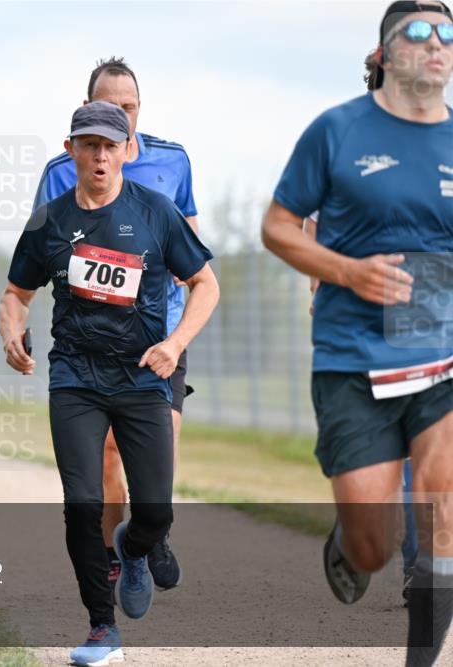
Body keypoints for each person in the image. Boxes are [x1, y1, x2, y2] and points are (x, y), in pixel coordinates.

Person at [261, 3, 453, 664]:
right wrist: (348, 271)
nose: (438, 44)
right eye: (420, 32)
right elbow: (279, 226)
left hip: (442, 357)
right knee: (376, 540)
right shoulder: (337, 130)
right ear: (384, 54)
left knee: (443, 510)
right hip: (354, 359)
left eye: (449, 32)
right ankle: (349, 541)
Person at [0, 102, 219, 665]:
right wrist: (11, 334)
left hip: (142, 377)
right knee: (81, 503)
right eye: (88, 144)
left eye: (110, 145)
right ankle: (102, 628)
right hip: (75, 377)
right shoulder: (47, 220)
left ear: (126, 149)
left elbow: (205, 284)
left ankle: (135, 545)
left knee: (156, 513)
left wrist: (173, 344)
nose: (99, 155)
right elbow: (16, 294)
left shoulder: (156, 212)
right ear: (70, 149)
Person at [34, 57, 199, 590]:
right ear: (86, 112)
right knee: (105, 455)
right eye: (109, 110)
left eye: (128, 109)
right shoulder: (63, 170)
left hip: (160, 339)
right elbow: (42, 247)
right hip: (90, 346)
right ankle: (112, 555)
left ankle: (149, 533)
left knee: (160, 447)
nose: (120, 121)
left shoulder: (173, 160)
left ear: (139, 110)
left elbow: (191, 237)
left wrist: (174, 274)